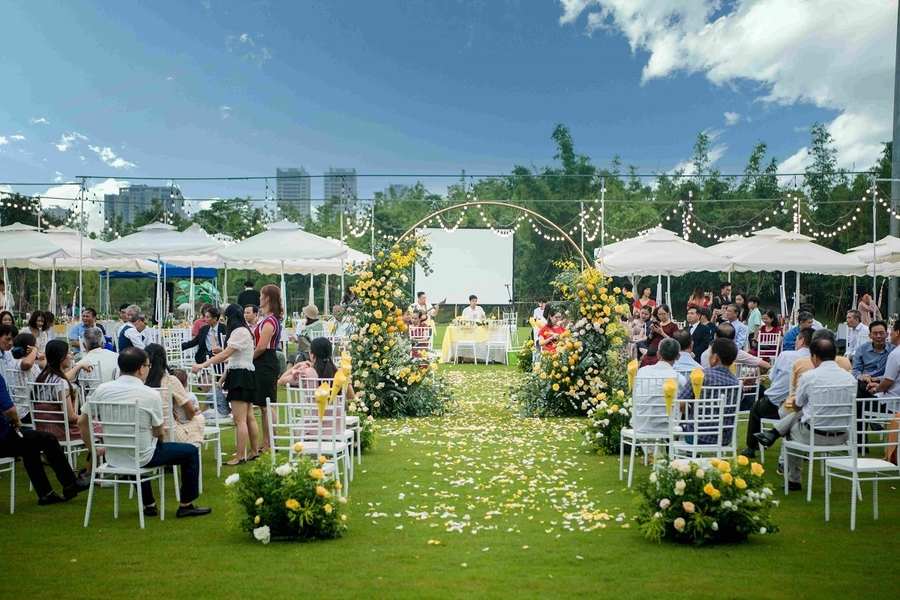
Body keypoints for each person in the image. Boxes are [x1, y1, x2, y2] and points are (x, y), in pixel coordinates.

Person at [90, 347, 211, 517]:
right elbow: (158, 431)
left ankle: (149, 504)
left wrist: (92, 448)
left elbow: (82, 421)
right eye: (147, 365)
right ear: (141, 368)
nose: (149, 368)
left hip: (113, 455)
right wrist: (158, 439)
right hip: (142, 455)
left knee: (137, 448)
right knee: (190, 451)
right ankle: (186, 504)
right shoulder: (149, 394)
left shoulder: (102, 389)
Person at [0, 371, 87, 505]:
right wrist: (17, 422)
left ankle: (47, 494)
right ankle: (70, 483)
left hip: (6, 437)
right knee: (47, 439)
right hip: (3, 438)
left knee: (30, 444)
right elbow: (10, 410)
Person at [783, 338, 856, 491]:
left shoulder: (809, 377)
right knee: (802, 417)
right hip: (843, 436)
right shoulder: (850, 378)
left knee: (790, 429)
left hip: (814, 436)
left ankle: (794, 479)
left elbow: (797, 405)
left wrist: (802, 407)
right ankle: (774, 432)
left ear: (814, 357)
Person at [193, 304, 258, 464]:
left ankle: (240, 456)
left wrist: (203, 365)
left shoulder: (238, 332)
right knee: (248, 417)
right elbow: (232, 356)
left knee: (240, 420)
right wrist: (223, 375)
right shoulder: (245, 331)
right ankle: (254, 451)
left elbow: (226, 355)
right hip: (246, 374)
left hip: (240, 376)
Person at [741, 327, 813, 458]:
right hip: (804, 409)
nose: (795, 342)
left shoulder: (786, 355)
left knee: (755, 409)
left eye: (797, 339)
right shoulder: (815, 361)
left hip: (777, 405)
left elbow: (772, 377)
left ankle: (751, 447)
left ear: (802, 340)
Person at [32, 339, 96, 481]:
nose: (71, 355)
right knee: (100, 428)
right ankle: (91, 472)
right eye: (68, 353)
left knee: (95, 425)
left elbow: (65, 378)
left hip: (44, 429)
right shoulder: (61, 383)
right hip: (62, 430)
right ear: (61, 357)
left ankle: (91, 470)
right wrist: (88, 418)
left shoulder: (42, 378)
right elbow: (71, 417)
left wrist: (78, 367)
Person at [677, 337, 740, 445]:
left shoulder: (700, 376)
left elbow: (680, 403)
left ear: (715, 357)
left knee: (678, 426)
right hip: (724, 438)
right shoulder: (736, 383)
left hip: (696, 435)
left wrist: (690, 409)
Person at [145, 344, 205, 445]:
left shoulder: (141, 382)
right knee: (199, 418)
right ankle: (191, 449)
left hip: (148, 435)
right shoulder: (170, 380)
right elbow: (190, 412)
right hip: (170, 435)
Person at [632, 338, 686, 434]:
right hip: (668, 428)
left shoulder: (642, 371)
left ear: (658, 354)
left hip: (640, 425)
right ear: (678, 357)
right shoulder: (679, 378)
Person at [254, 285, 283, 454]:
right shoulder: (267, 319)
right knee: (264, 405)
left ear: (267, 298)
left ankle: (270, 442)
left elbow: (261, 346)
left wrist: (249, 358)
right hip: (264, 362)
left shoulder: (270, 321)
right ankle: (267, 441)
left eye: (261, 295)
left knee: (267, 405)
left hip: (266, 362)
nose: (259, 298)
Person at [278, 337, 356, 400]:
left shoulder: (305, 373)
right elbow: (351, 397)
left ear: (312, 355)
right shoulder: (340, 373)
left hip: (312, 414)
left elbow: (281, 381)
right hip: (336, 414)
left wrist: (297, 365)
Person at [700, 323, 770, 371]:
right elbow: (766, 365)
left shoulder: (705, 354)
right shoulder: (736, 352)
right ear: (733, 339)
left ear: (715, 336)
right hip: (733, 387)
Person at [851, 320, 893, 397]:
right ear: (870, 335)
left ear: (887, 334)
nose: (878, 336)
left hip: (885, 382)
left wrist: (878, 379)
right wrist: (862, 377)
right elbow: (855, 370)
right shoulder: (862, 349)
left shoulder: (893, 350)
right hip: (866, 382)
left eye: (881, 333)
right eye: (875, 333)